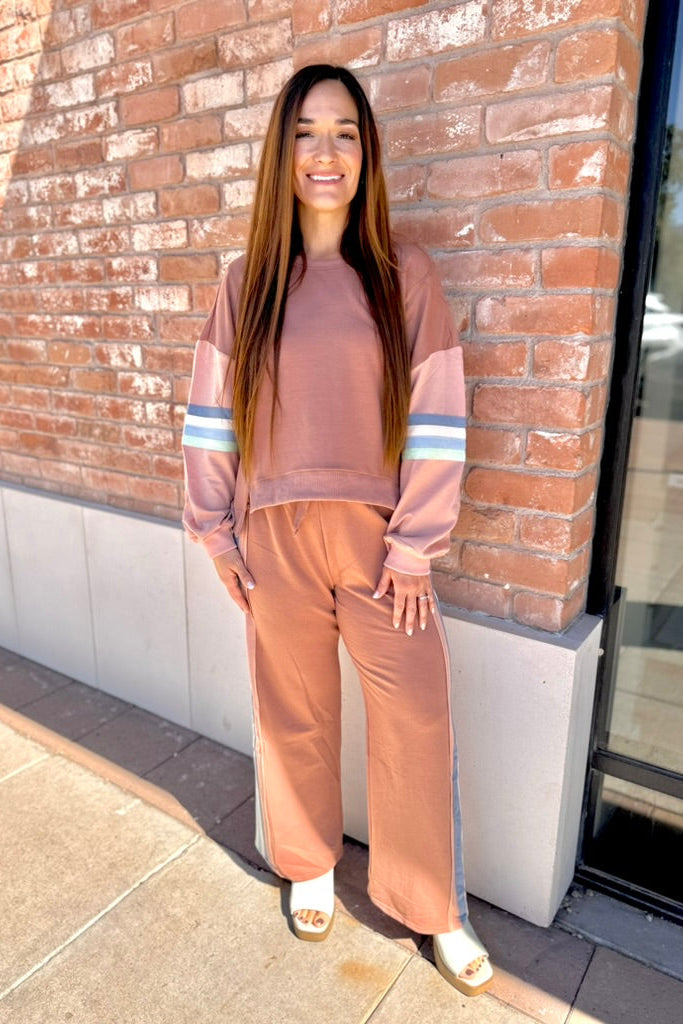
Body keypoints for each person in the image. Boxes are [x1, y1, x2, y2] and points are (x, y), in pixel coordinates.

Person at [182, 63, 493, 997]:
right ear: (284, 152)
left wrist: (414, 543)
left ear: (367, 152)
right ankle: (308, 858)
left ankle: (431, 903)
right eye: (308, 133)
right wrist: (216, 532)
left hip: (379, 545)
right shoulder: (247, 283)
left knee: (416, 716)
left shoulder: (405, 275)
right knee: (294, 713)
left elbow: (439, 412)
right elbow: (209, 418)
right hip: (271, 534)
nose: (326, 152)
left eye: (345, 132)